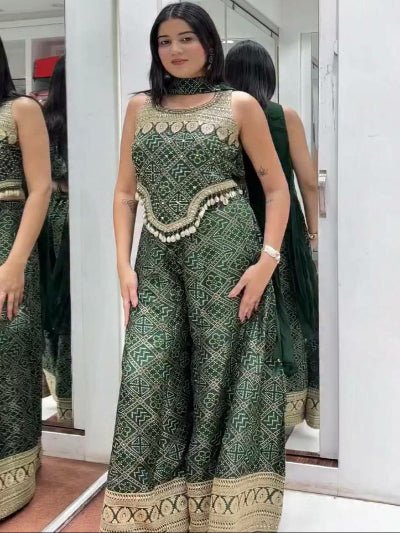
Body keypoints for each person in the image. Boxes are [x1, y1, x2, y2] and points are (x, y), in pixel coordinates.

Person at [100, 3, 290, 532]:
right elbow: (123, 193)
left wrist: (267, 262)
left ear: (209, 44)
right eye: (164, 41)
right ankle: (148, 516)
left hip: (228, 259)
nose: (175, 49)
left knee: (220, 379)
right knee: (145, 373)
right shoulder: (140, 107)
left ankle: (223, 515)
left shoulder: (239, 105)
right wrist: (122, 265)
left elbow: (277, 190)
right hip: (155, 260)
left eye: (186, 38)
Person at [225, 40, 320, 433]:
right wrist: (312, 230)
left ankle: (248, 406)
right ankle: (292, 401)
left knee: (243, 310)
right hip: (283, 225)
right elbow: (308, 181)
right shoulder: (285, 117)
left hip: (237, 223)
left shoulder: (225, 115)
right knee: (292, 307)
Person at [0, 37, 51, 518]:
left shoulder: (20, 109)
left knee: (11, 354)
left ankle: (13, 470)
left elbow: (40, 189)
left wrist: (16, 261)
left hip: (8, 247)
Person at [40, 55, 72, 424]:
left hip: (50, 214)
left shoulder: (46, 121)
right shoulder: (88, 122)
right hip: (75, 217)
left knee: (53, 304)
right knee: (71, 307)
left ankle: (61, 395)